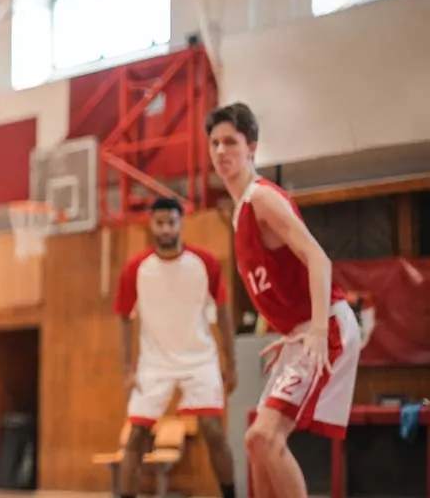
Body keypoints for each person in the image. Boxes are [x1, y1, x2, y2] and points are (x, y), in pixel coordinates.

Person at [206, 102, 361, 498]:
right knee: (257, 445)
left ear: (252, 147)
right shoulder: (240, 211)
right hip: (301, 329)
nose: (221, 151)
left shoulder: (262, 199)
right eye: (214, 143)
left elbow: (318, 259)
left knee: (265, 438)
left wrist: (311, 328)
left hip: (326, 323)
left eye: (231, 142)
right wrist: (291, 327)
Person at [114, 197, 238, 498]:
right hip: (154, 363)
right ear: (151, 225)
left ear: (181, 223)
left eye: (172, 221)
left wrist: (230, 364)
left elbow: (222, 313)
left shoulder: (204, 263)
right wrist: (128, 368)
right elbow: (124, 317)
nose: (166, 228)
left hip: (199, 358)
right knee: (136, 436)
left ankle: (231, 494)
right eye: (160, 222)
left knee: (213, 430)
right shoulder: (136, 269)